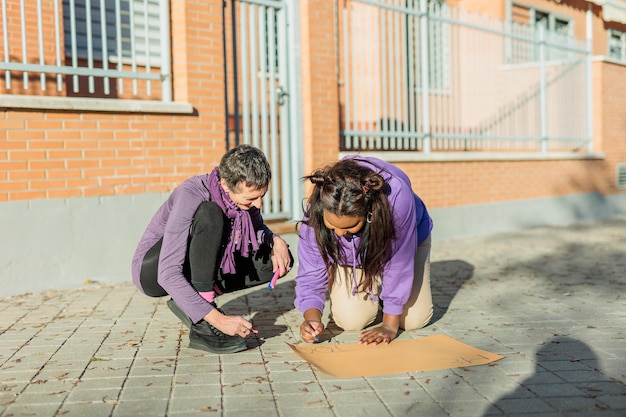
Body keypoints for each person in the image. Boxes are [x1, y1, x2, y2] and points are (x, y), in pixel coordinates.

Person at [131, 145, 293, 354]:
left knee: (275, 261)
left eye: (262, 196)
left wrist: (276, 240)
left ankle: (190, 301)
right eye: (251, 198)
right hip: (152, 273)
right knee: (210, 214)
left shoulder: (245, 203)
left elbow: (258, 230)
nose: (258, 205)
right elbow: (167, 273)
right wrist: (219, 320)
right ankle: (204, 325)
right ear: (225, 184)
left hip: (191, 266)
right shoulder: (192, 193)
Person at [294, 155, 433, 345]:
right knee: (351, 321)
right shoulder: (318, 207)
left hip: (408, 242)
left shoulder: (397, 200)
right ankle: (377, 296)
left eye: (350, 227)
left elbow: (398, 265)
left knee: (412, 321)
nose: (340, 234)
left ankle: (388, 300)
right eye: (331, 225)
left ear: (368, 213)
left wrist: (389, 326)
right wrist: (312, 318)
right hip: (350, 255)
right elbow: (311, 270)